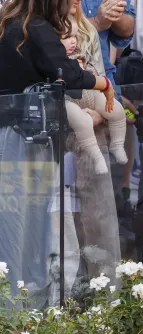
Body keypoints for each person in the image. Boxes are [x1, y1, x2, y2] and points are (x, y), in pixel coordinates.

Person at [0, 0, 113, 307]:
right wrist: (104, 84)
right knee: (26, 232)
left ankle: (18, 314)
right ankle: (19, 316)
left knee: (17, 228)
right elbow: (71, 77)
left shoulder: (9, 24)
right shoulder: (34, 27)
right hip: (24, 140)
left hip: (11, 136)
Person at [62, 16, 127, 175]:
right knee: (82, 121)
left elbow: (97, 72)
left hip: (90, 92)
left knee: (116, 110)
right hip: (67, 100)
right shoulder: (54, 58)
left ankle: (117, 144)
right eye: (66, 37)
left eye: (74, 37)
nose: (73, 41)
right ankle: (96, 156)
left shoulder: (81, 51)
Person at [80, 0, 135, 86]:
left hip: (105, 76)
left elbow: (127, 31)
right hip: (67, 78)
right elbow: (59, 30)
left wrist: (114, 12)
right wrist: (96, 22)